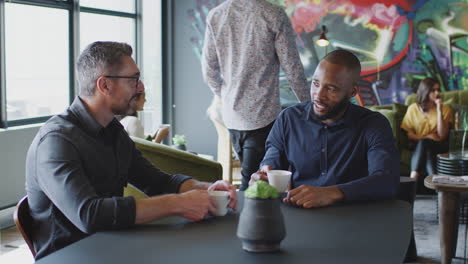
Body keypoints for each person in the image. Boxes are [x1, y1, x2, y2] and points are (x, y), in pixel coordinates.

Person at [25, 41, 237, 260]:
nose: (141, 87)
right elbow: (89, 214)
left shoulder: (113, 131)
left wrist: (205, 189)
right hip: (70, 256)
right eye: (133, 79)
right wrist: (177, 203)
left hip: (112, 246)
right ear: (104, 85)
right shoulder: (56, 141)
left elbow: (157, 181)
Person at [250, 50, 399, 208]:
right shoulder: (289, 118)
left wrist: (332, 193)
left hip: (352, 217)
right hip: (299, 214)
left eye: (331, 89)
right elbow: (273, 156)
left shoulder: (373, 124)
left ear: (352, 91)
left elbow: (386, 180)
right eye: (315, 83)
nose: (318, 95)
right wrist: (264, 173)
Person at [201, 0, 310, 190]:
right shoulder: (273, 14)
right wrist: (309, 106)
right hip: (263, 114)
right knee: (255, 184)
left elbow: (209, 70)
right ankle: (249, 218)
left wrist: (226, 96)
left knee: (252, 180)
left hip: (233, 117)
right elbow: (292, 68)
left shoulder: (216, 15)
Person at [401, 77, 453, 180]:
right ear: (425, 91)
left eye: (438, 89)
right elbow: (409, 134)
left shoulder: (445, 109)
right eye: (433, 90)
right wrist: (427, 137)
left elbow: (442, 136)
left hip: (440, 146)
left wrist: (439, 110)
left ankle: (412, 179)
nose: (437, 92)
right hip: (420, 146)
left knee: (426, 144)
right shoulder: (413, 109)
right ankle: (436, 185)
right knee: (426, 145)